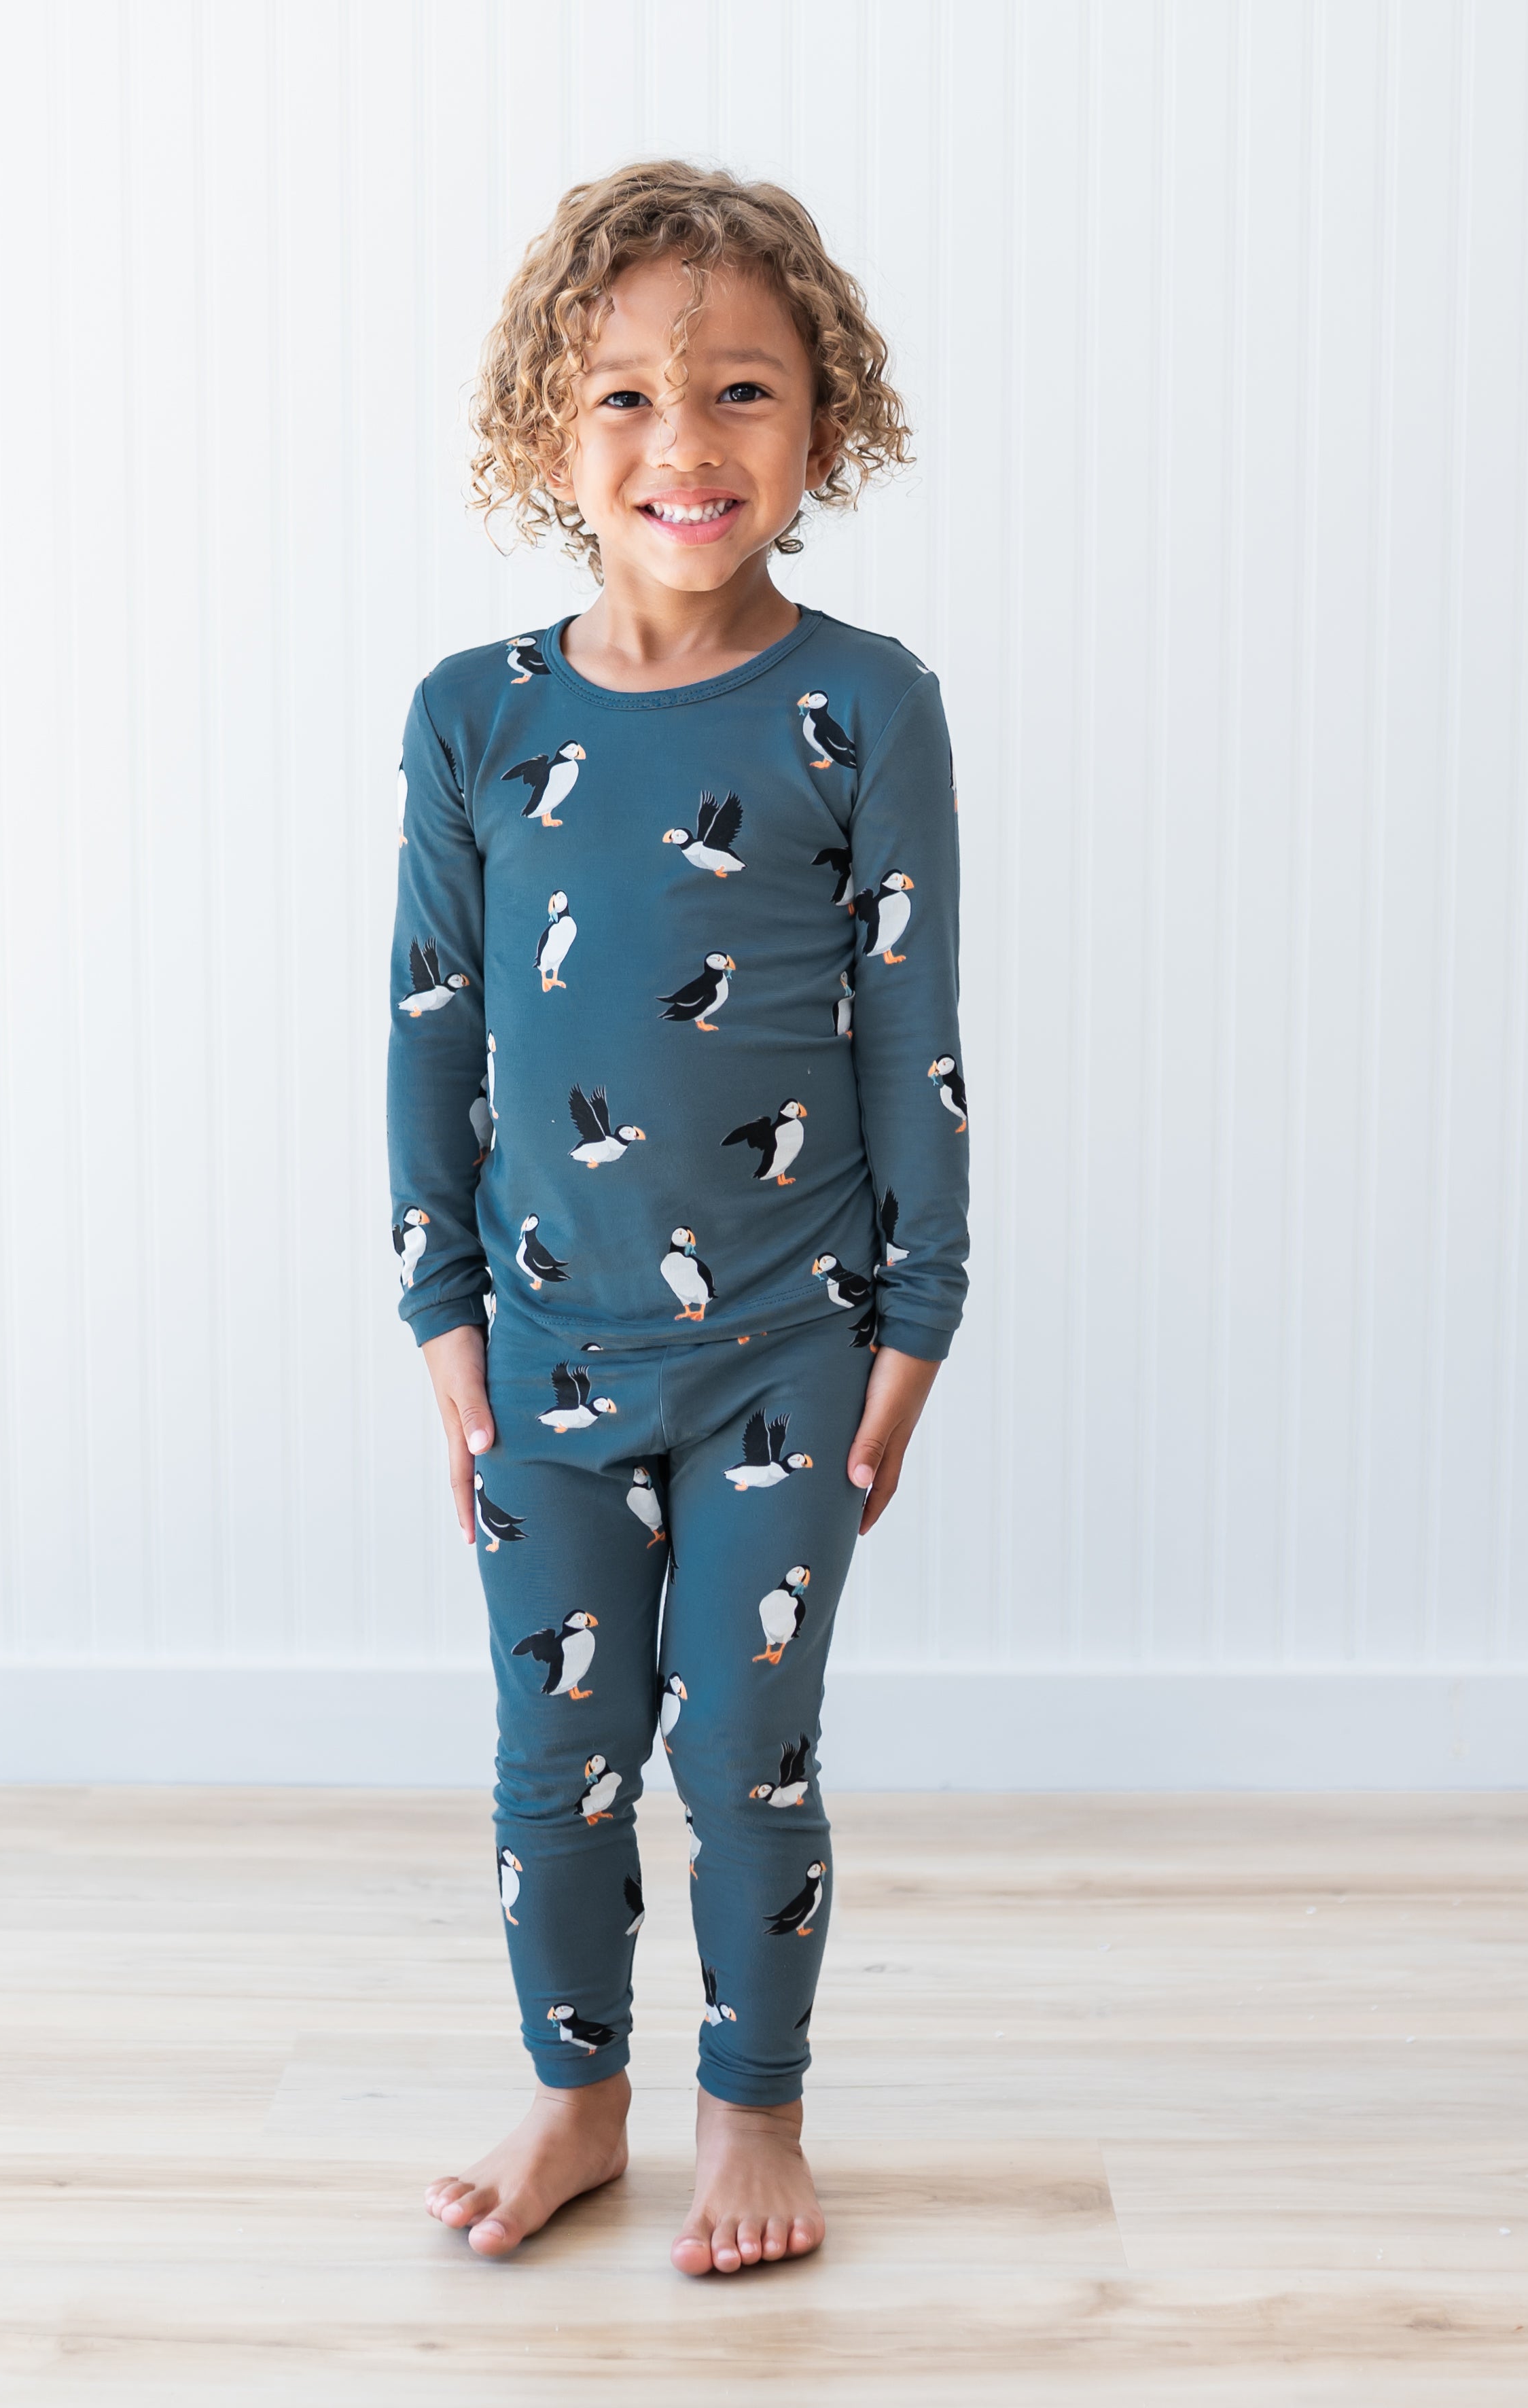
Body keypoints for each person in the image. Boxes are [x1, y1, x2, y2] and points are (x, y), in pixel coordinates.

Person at [384, 159, 969, 2277]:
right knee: (561, 1756)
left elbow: (919, 1043)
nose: (684, 443)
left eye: (740, 390)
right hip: (540, 1353)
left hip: (791, 1349)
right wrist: (444, 1329)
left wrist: (917, 1335)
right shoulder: (481, 717)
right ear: (553, 432)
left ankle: (755, 2112)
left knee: (743, 1746)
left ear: (823, 427)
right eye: (625, 396)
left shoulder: (862, 706)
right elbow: (431, 1038)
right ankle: (578, 2100)